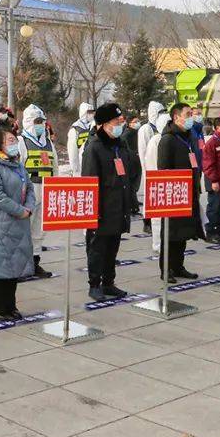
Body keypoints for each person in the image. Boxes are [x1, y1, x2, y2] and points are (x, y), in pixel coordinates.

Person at [0, 127, 37, 319]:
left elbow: (29, 188)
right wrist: (19, 210)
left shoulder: (17, 164)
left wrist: (29, 207)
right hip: (1, 223)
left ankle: (9, 305)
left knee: (14, 264)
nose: (14, 144)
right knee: (0, 265)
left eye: (15, 140)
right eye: (10, 141)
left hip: (20, 221)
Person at [82, 103, 131, 301]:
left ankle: (109, 282)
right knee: (97, 248)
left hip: (118, 206)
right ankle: (94, 284)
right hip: (101, 208)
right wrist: (93, 210)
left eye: (120, 121)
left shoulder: (120, 144)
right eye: (115, 122)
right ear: (102, 125)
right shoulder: (94, 147)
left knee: (113, 247)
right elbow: (89, 181)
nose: (119, 125)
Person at [157, 103, 202, 282]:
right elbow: (163, 168)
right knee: (170, 233)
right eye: (188, 114)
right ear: (176, 117)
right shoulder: (168, 139)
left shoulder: (189, 136)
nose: (191, 117)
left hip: (188, 191)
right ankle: (166, 269)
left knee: (183, 233)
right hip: (173, 193)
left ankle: (178, 266)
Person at [17, 104, 56, 278]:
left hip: (45, 190)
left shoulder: (48, 143)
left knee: (39, 231)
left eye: (42, 121)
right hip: (28, 193)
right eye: (37, 121)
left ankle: (35, 262)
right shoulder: (21, 142)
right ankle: (19, 265)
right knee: (23, 229)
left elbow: (54, 167)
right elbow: (16, 170)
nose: (40, 125)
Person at [142, 112, 172, 255]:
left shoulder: (170, 139)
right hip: (158, 182)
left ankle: (166, 242)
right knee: (158, 217)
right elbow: (152, 162)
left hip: (168, 182)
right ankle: (158, 243)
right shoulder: (155, 141)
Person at [201, 115, 220, 244]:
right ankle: (211, 233)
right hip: (214, 181)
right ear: (216, 127)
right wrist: (214, 180)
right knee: (214, 207)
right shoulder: (212, 143)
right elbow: (208, 164)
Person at [137, 101, 165, 233]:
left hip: (159, 167)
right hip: (149, 167)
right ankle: (147, 220)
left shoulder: (161, 128)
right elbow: (143, 151)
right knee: (149, 194)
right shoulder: (146, 129)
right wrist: (145, 169)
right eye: (160, 112)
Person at [67, 102, 95, 175]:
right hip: (81, 165)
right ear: (84, 113)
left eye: (92, 112)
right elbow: (72, 151)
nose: (91, 114)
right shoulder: (75, 129)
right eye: (89, 112)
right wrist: (75, 170)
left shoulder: (94, 126)